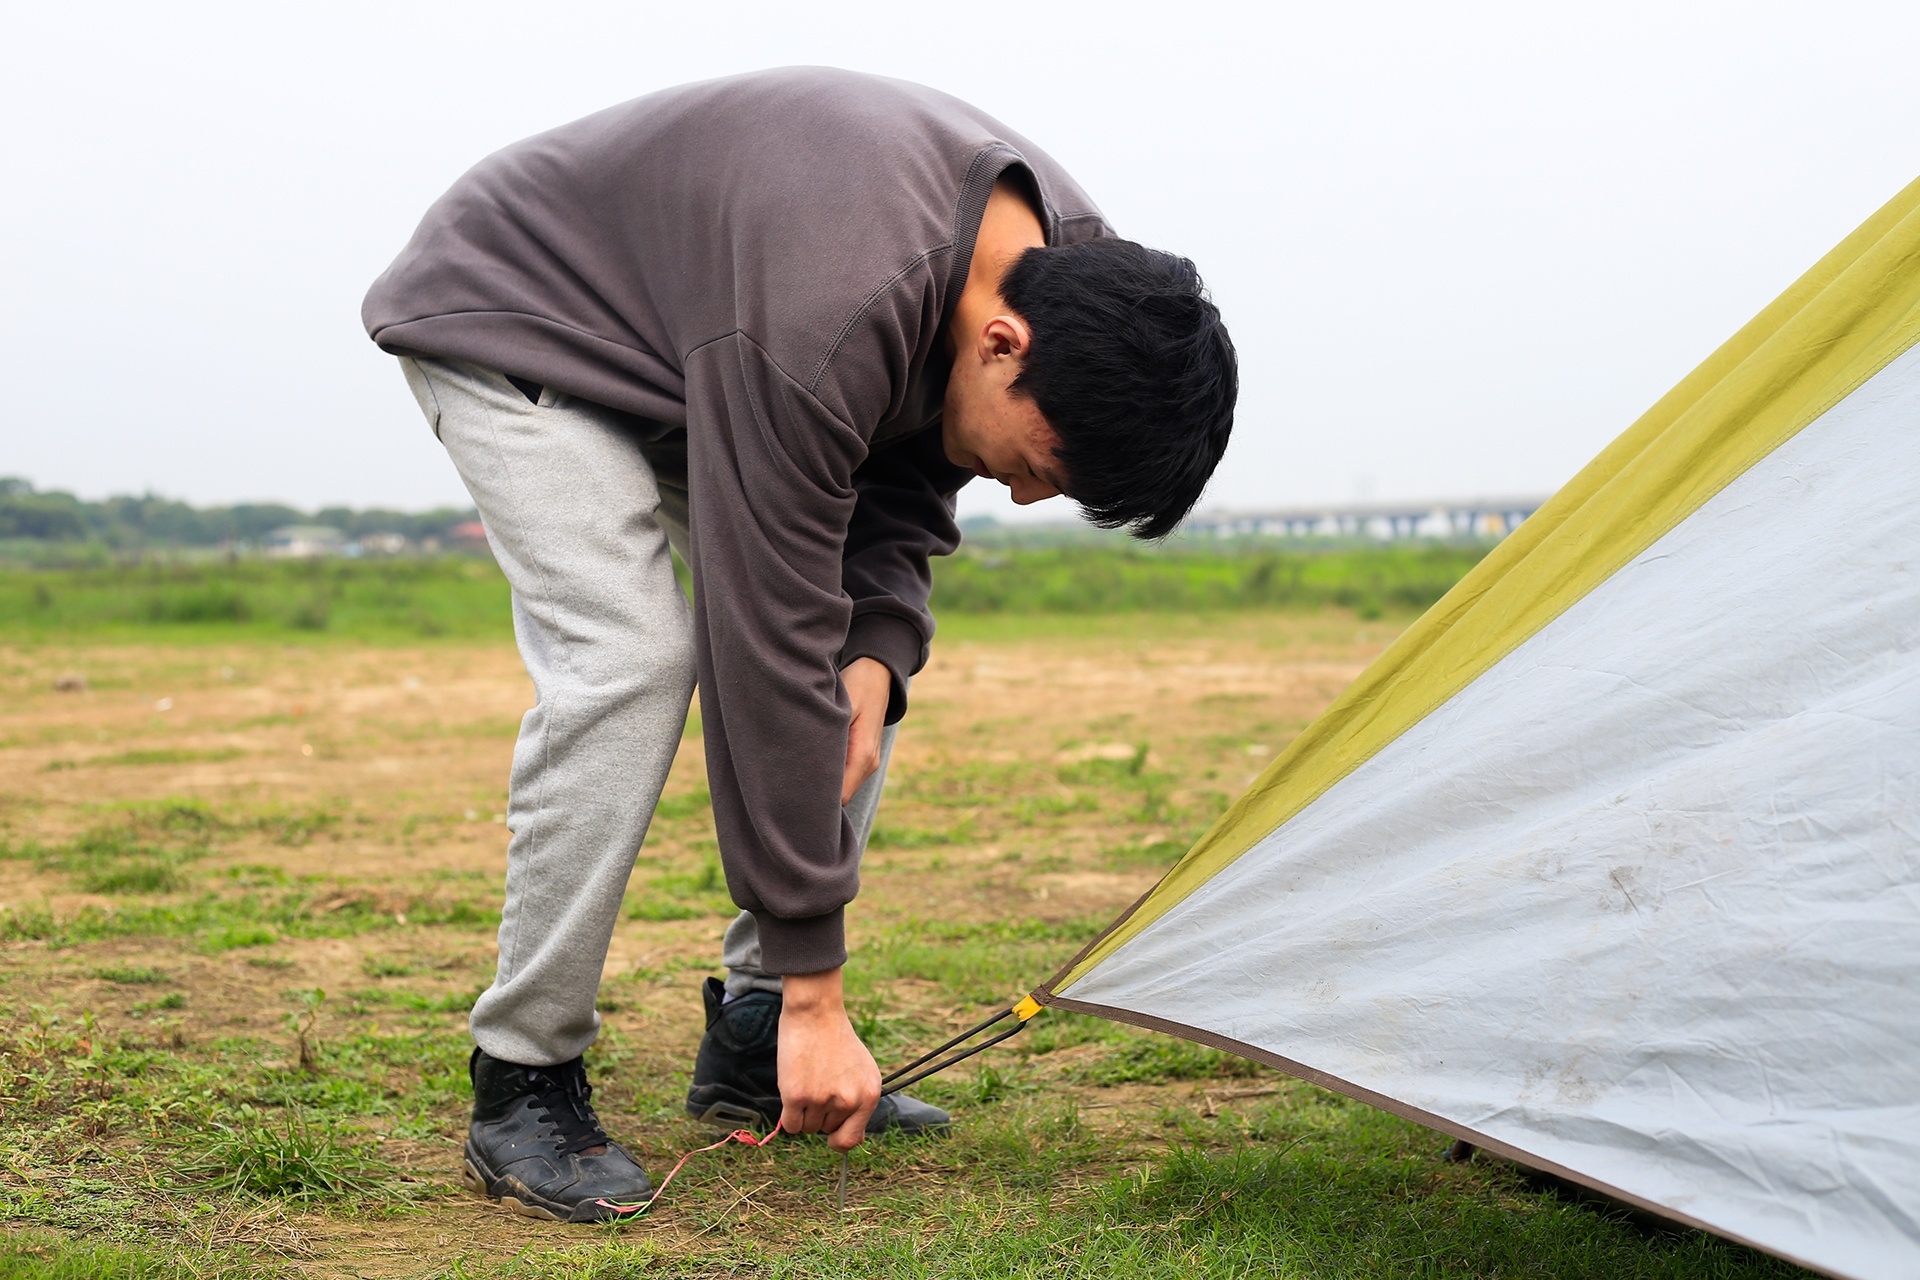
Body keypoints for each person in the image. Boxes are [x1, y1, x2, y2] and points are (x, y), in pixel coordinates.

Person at [363, 66, 1236, 1223]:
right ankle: (523, 1073)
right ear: (1001, 342)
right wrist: (827, 984)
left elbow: (900, 484)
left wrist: (874, 663)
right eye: (1047, 466)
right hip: (529, 315)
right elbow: (764, 632)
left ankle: (755, 1031)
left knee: (842, 676)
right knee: (635, 659)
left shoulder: (1081, 288)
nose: (1027, 498)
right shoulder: (835, 302)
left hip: (705, 352)